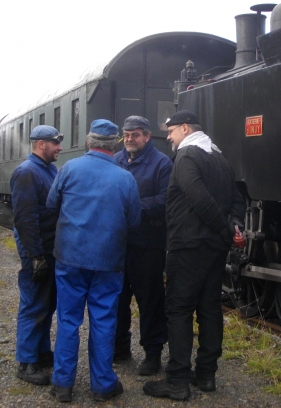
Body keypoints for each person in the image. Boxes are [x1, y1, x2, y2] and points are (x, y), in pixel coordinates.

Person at [143, 110, 246, 401]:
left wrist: (226, 229)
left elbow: (198, 198)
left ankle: (177, 380)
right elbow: (237, 200)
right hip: (214, 250)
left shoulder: (187, 156)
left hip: (188, 246)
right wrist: (233, 226)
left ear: (185, 129)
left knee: (179, 310)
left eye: (171, 131)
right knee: (210, 309)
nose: (169, 138)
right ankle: (206, 374)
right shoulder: (219, 158)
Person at [47, 119, 141, 403]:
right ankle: (102, 384)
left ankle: (62, 384)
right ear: (114, 145)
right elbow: (134, 221)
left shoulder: (69, 168)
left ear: (89, 142)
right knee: (103, 322)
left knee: (67, 320)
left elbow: (51, 205)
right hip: (108, 261)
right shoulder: (125, 178)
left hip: (70, 258)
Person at [113, 116, 172, 376]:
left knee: (150, 301)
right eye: (126, 134)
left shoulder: (162, 164)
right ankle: (120, 348)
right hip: (118, 244)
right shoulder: (116, 160)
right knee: (118, 299)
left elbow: (166, 199)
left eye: (135, 134)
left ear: (147, 136)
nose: (130, 139)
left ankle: (152, 353)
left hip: (148, 244)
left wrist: (133, 207)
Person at [10, 125, 63, 386]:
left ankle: (41, 353)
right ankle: (26, 362)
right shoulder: (27, 172)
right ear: (41, 144)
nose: (59, 147)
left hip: (49, 249)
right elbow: (25, 218)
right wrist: (35, 256)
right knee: (33, 305)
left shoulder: (49, 170)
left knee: (46, 304)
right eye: (55, 143)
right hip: (37, 251)